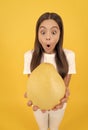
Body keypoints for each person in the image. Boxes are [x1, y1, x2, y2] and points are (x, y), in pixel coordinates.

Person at [23, 12, 76, 130]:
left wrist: (63, 97)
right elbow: (33, 84)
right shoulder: (29, 56)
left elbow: (64, 86)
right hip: (38, 103)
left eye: (53, 32)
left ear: (60, 34)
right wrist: (35, 97)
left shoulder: (69, 55)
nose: (48, 37)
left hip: (59, 103)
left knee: (54, 128)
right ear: (37, 34)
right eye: (43, 32)